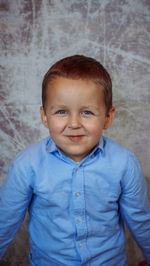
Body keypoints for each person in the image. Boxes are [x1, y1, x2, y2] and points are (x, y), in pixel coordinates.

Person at [0, 55, 150, 265]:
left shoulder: (124, 163)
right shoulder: (27, 165)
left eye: (87, 112)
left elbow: (141, 223)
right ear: (44, 116)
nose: (74, 123)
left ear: (107, 117)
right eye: (61, 111)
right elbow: (4, 222)